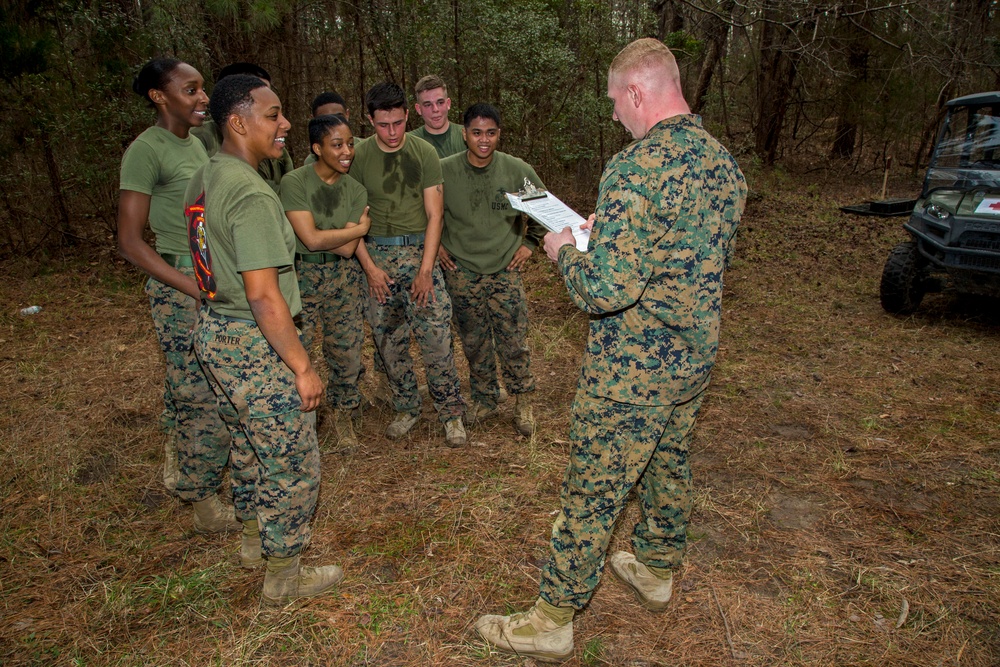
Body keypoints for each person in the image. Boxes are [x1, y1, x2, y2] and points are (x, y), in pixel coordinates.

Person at [473, 37, 747, 662]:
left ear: (637, 92)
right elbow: (687, 256)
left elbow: (604, 291)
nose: (615, 116)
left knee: (593, 486)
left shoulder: (637, 167)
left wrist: (563, 248)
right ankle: (655, 565)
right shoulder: (723, 164)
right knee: (667, 458)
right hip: (693, 353)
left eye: (615, 103)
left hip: (635, 367)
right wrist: (609, 234)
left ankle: (552, 617)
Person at [184, 74, 343, 605]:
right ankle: (283, 576)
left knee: (250, 447)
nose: (286, 125)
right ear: (237, 122)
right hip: (255, 342)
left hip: (215, 332)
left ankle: (254, 540)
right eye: (273, 115)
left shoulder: (206, 176)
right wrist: (301, 365)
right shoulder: (251, 192)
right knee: (291, 460)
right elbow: (264, 295)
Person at [117, 57, 238, 534]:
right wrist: (190, 286)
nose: (203, 98)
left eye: (202, 89)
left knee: (196, 381)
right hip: (179, 283)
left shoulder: (200, 144)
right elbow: (129, 241)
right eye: (191, 90)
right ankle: (204, 500)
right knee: (197, 392)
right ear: (159, 97)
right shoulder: (146, 151)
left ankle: (188, 466)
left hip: (210, 272)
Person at [351, 82, 467, 446]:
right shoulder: (358, 157)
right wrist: (369, 269)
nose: (391, 132)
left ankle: (451, 413)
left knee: (436, 338)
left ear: (405, 117)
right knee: (389, 340)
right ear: (370, 120)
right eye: (383, 125)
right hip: (376, 259)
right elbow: (352, 221)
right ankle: (407, 406)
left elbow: (436, 216)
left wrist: (426, 270)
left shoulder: (423, 153)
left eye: (398, 123)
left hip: (419, 253)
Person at [438, 103, 545, 437]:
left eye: (491, 133)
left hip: (504, 269)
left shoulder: (516, 170)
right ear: (464, 133)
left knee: (513, 338)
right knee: (473, 339)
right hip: (462, 269)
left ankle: (523, 401)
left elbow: (545, 210)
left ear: (499, 134)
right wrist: (437, 245)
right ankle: (484, 398)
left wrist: (530, 243)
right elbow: (424, 213)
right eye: (476, 132)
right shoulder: (443, 170)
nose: (483, 140)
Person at [280, 114, 371, 452]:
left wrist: (348, 236)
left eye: (350, 144)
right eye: (337, 145)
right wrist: (359, 229)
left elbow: (346, 248)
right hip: (300, 276)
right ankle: (298, 419)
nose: (347, 151)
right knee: (295, 350)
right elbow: (310, 239)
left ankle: (344, 415)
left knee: (346, 350)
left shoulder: (355, 188)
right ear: (317, 148)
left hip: (343, 278)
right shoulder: (294, 182)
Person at [190, 62, 295, 192]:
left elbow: (292, 191)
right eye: (273, 115)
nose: (286, 124)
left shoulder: (276, 146)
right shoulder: (199, 139)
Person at [409, 75, 466, 159]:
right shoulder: (410, 143)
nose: (435, 109)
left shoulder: (467, 136)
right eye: (428, 105)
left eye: (440, 102)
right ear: (418, 109)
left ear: (448, 104)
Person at [303, 92, 351, 166]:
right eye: (325, 119)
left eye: (339, 117)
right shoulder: (312, 161)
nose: (333, 124)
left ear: (347, 114)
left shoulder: (363, 151)